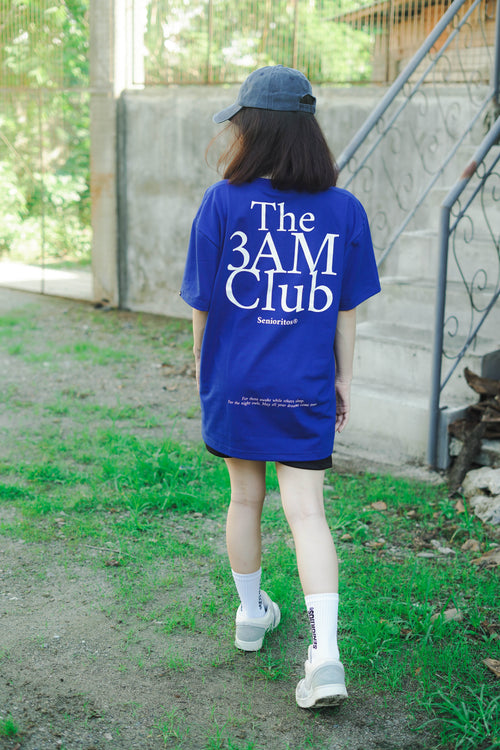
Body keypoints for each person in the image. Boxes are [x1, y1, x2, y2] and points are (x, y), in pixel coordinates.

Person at [180, 65, 380, 709]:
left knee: (245, 499)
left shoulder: (222, 201)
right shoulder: (344, 210)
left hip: (235, 381)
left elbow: (201, 305)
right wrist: (343, 379)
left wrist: (204, 368)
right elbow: (345, 312)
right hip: (304, 385)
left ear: (252, 131)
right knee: (308, 514)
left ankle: (250, 615)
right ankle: (325, 657)